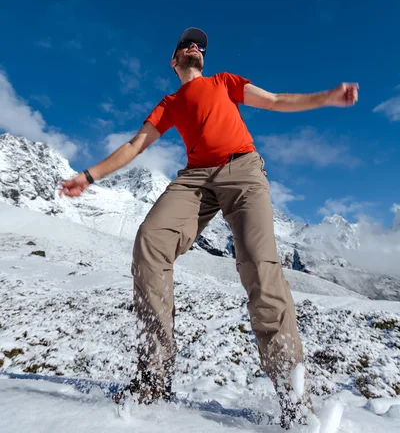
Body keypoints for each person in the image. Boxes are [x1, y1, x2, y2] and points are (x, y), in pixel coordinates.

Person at [60, 27, 358, 429]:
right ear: (174, 60)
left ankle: (294, 399)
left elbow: (273, 101)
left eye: (199, 45)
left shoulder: (223, 82)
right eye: (186, 45)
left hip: (243, 169)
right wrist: (88, 176)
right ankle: (154, 378)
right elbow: (135, 145)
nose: (195, 48)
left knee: (258, 265)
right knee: (150, 241)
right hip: (195, 178)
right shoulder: (169, 103)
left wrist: (326, 97)